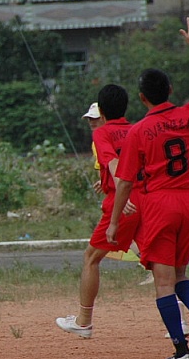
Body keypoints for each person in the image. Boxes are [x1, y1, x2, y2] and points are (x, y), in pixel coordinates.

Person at [107, 16, 189, 359]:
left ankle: (181, 350)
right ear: (170, 89)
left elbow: (125, 182)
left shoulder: (139, 131)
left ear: (142, 98)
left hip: (160, 205)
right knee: (180, 273)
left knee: (163, 282)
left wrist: (114, 222)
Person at [56, 85, 143, 338]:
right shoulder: (137, 129)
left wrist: (121, 192)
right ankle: (183, 320)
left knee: (91, 258)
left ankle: (84, 321)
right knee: (160, 263)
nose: (93, 123)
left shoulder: (102, 134)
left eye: (95, 118)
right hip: (148, 198)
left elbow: (116, 167)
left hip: (124, 200)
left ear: (102, 113)